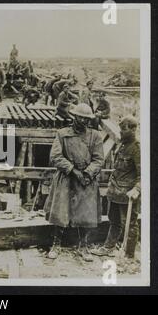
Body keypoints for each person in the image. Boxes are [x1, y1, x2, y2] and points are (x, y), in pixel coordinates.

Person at [44, 103, 104, 261]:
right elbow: (55, 156)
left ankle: (83, 246)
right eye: (80, 117)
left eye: (86, 119)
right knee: (60, 210)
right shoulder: (62, 134)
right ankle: (56, 244)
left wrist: (87, 173)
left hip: (86, 179)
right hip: (66, 177)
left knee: (85, 212)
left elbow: (99, 160)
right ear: (74, 117)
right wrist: (72, 170)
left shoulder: (95, 136)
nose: (83, 121)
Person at [91, 116, 140, 259]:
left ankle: (129, 254)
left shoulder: (137, 148)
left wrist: (137, 189)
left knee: (130, 224)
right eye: (120, 130)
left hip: (127, 194)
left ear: (133, 129)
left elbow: (143, 173)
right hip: (114, 191)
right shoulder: (122, 145)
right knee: (114, 221)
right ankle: (108, 247)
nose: (120, 133)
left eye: (123, 130)